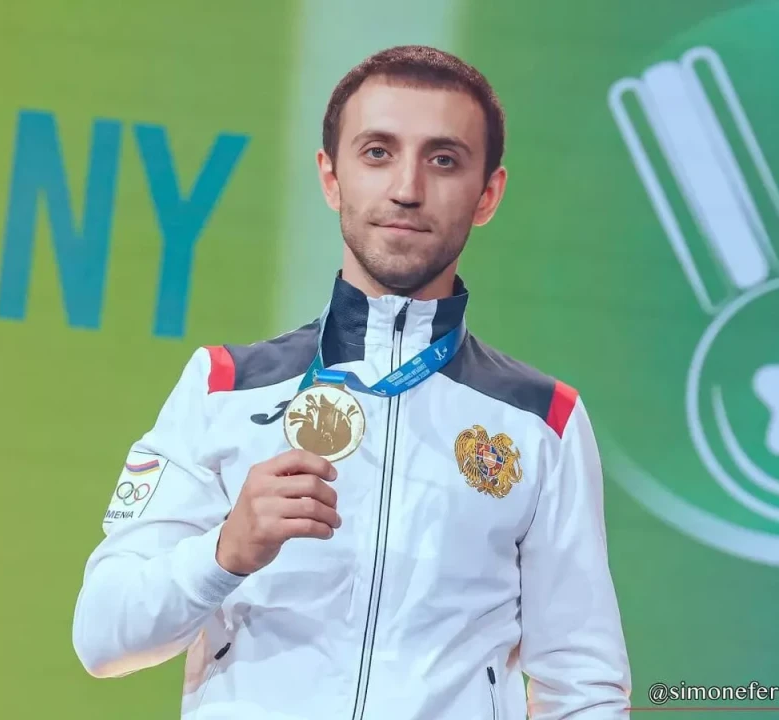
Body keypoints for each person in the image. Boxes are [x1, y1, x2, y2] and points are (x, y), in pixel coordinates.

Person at [72, 44, 631, 719]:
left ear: (488, 194)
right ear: (331, 177)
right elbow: (102, 637)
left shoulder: (542, 421)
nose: (406, 188)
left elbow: (583, 688)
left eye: (443, 159)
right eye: (377, 153)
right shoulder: (223, 387)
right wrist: (226, 552)